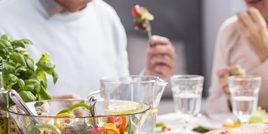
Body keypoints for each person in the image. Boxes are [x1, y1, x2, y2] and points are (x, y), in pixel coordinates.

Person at [0, 0, 177, 99]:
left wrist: (148, 78)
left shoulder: (107, 17)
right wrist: (43, 114)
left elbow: (117, 102)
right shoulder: (5, 16)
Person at [207, 0, 268, 114]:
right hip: (242, 130)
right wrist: (231, 98)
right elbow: (213, 108)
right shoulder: (231, 30)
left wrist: (264, 53)